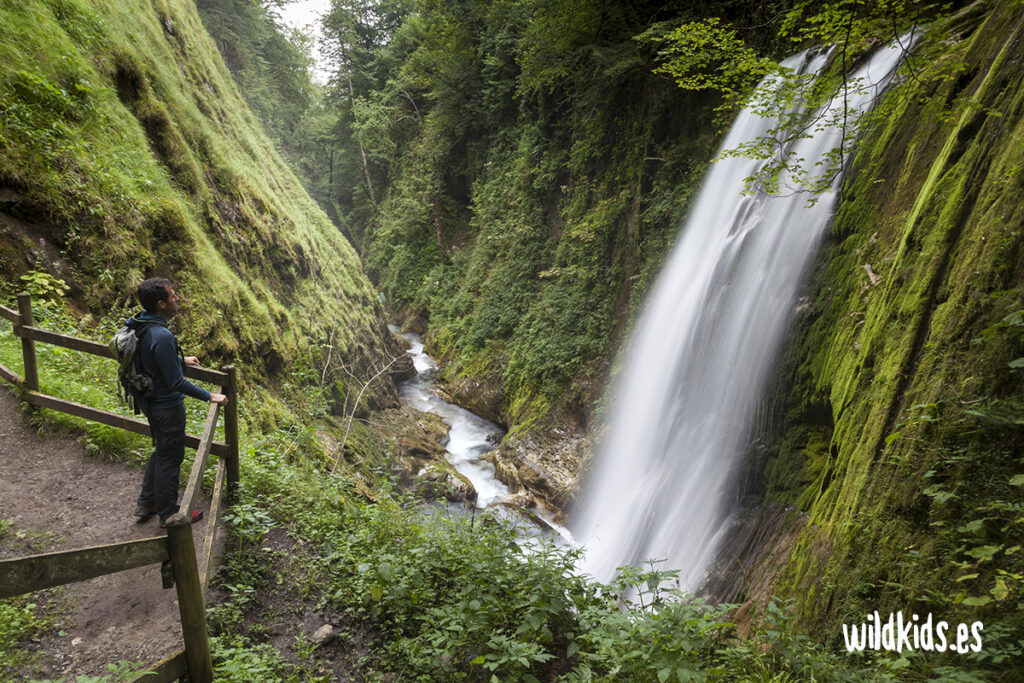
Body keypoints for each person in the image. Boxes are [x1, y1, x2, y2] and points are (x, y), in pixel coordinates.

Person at [130, 277, 228, 528]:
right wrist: (210, 396)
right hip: (166, 407)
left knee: (161, 451)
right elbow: (176, 383)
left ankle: (147, 502)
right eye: (173, 296)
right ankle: (169, 514)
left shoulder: (142, 323)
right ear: (162, 304)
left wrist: (177, 359)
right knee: (170, 458)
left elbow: (147, 357)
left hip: (151, 403)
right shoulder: (161, 335)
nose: (177, 299)